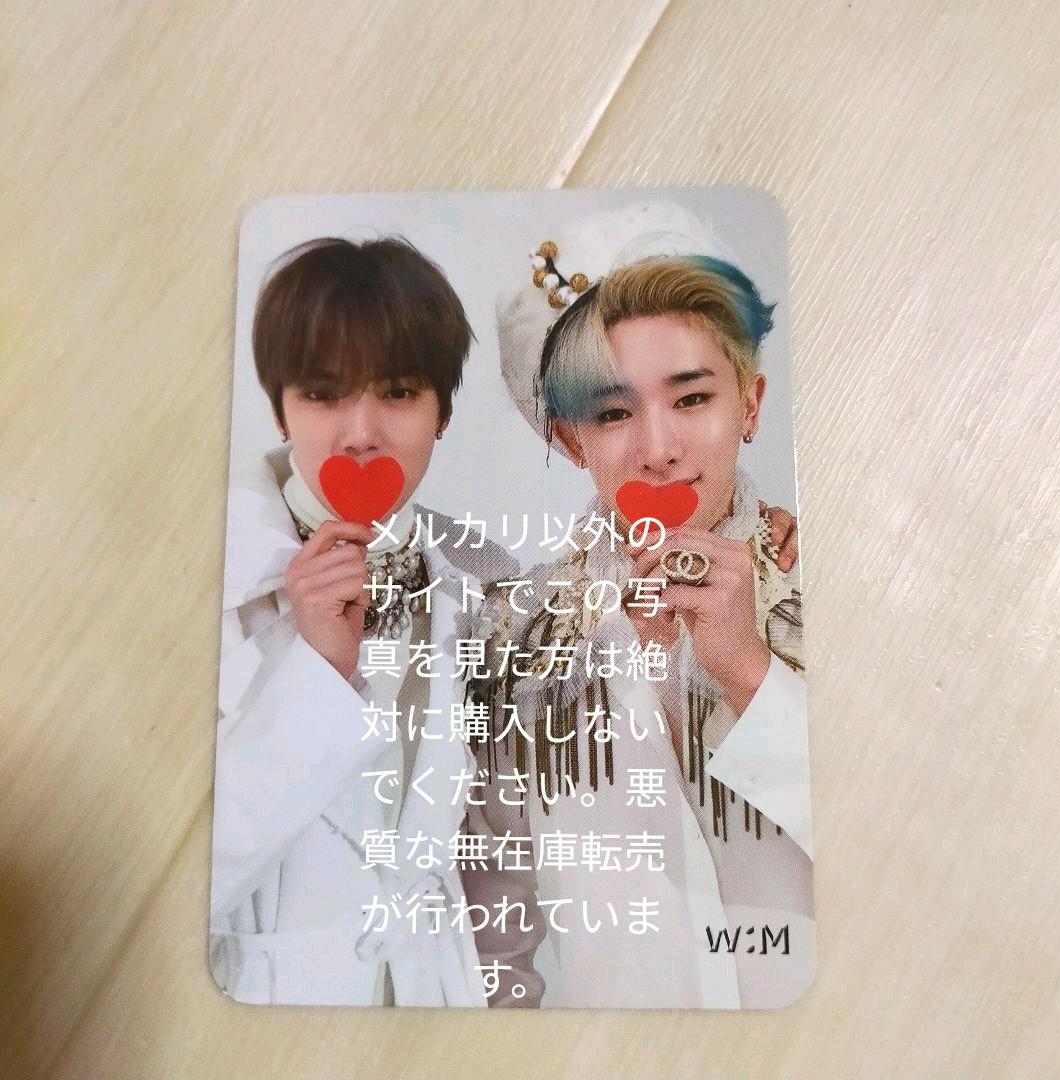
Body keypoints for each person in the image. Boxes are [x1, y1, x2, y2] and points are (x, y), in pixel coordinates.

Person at [467, 202, 813, 1008]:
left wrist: (750, 673)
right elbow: (491, 941)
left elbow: (916, 853)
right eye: (614, 412)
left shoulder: (834, 591)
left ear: (750, 404)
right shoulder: (512, 642)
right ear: (570, 439)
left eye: (691, 399)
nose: (659, 449)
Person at [209, 236, 544, 1006]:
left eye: (396, 392)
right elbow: (166, 874)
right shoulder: (201, 569)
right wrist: (318, 673)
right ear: (278, 407)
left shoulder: (487, 581)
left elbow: (500, 850)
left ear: (442, 410)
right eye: (323, 393)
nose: (360, 430)